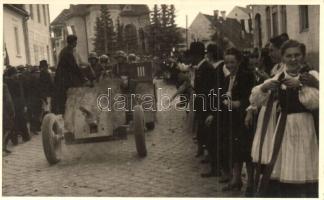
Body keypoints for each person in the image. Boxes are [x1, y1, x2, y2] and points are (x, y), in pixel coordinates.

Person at [255, 40, 318, 197]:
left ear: (302, 56)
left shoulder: (311, 76)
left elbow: (313, 103)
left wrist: (301, 85)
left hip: (306, 125)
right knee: (284, 165)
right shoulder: (278, 77)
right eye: (289, 56)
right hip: (284, 127)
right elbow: (256, 100)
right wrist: (264, 88)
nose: (293, 59)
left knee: (305, 164)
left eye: (297, 55)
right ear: (282, 58)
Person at [218, 48, 255, 192]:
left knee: (247, 151)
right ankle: (236, 179)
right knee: (234, 150)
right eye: (227, 62)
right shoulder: (228, 78)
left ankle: (251, 182)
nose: (229, 65)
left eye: (232, 62)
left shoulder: (246, 76)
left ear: (238, 62)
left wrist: (238, 104)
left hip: (244, 118)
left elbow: (252, 96)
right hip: (231, 119)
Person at [201, 43, 225, 178]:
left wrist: (212, 110)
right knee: (212, 138)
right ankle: (216, 167)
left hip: (215, 106)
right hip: (212, 104)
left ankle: (217, 168)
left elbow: (216, 90)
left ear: (211, 53)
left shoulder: (217, 68)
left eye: (208, 52)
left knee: (214, 139)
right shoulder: (215, 67)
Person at [188, 42, 215, 159]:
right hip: (200, 102)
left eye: (192, 56)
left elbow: (208, 89)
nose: (190, 58)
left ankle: (208, 153)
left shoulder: (207, 68)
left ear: (196, 55)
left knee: (206, 128)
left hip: (206, 103)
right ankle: (203, 150)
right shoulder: (200, 68)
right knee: (201, 127)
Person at [52, 35, 86, 114]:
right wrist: (83, 78)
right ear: (73, 42)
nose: (76, 43)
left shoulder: (65, 51)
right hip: (65, 79)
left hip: (62, 77)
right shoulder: (68, 53)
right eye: (75, 42)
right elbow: (74, 67)